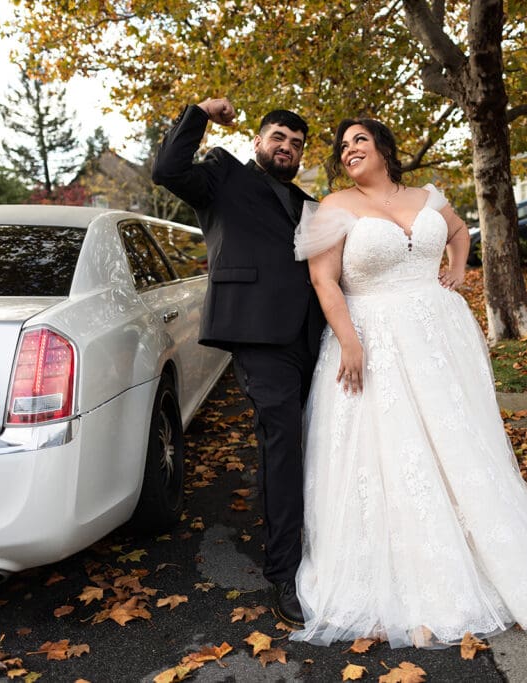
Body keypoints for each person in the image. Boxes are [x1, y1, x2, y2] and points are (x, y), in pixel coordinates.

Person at [290, 118, 527, 648]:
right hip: (373, 335)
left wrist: (459, 268)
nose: (349, 149)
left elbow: (457, 231)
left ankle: (485, 533)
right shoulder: (335, 206)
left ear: (384, 146)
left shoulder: (426, 195)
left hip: (439, 334)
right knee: (394, 442)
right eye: (343, 145)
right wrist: (351, 341)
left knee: (457, 435)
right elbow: (322, 279)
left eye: (359, 139)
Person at [152, 98, 325, 625]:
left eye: (296, 144)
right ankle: (285, 573)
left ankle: (322, 542)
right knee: (281, 445)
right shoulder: (223, 175)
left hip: (311, 336)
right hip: (256, 333)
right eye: (278, 137)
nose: (287, 148)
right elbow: (167, 170)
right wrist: (199, 112)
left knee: (316, 439)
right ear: (258, 140)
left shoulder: (307, 201)